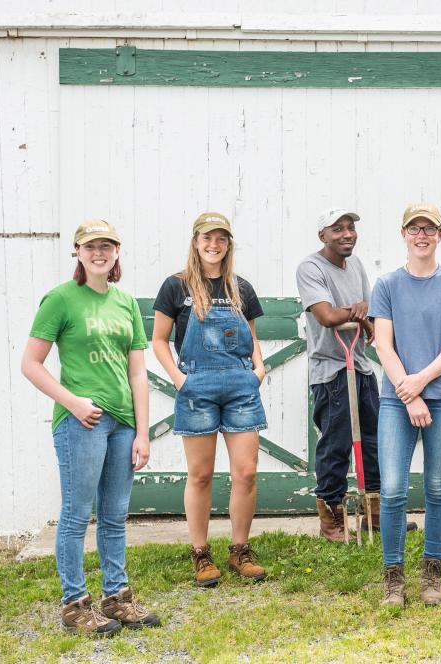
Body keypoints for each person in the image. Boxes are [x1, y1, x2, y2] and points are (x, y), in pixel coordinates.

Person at [22, 220, 160, 636]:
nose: (99, 252)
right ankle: (75, 605)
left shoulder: (126, 303)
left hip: (121, 423)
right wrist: (73, 402)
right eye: (90, 246)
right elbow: (31, 363)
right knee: (77, 515)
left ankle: (116, 598)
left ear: (117, 252)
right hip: (81, 423)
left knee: (115, 515)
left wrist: (142, 431)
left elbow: (138, 373)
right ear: (78, 253)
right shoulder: (61, 300)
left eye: (107, 246)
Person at [152, 212, 268, 588]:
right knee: (200, 474)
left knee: (246, 473)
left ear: (228, 244)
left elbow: (251, 338)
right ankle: (201, 553)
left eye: (221, 238)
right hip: (196, 386)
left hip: (240, 387)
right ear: (195, 241)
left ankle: (240, 550)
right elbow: (158, 340)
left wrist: (259, 369)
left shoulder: (241, 288)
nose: (213, 245)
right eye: (207, 238)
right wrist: (179, 379)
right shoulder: (176, 286)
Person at [371, 203, 441, 607]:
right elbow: (383, 343)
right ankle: (393, 577)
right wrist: (408, 390)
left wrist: (421, 383)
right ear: (403, 234)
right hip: (397, 400)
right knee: (394, 489)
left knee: (437, 486)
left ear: (440, 234)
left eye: (429, 229)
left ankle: (433, 574)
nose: (421, 235)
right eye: (414, 228)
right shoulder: (387, 285)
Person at [296, 208, 416, 542]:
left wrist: (363, 314)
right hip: (330, 371)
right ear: (323, 235)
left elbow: (371, 310)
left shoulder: (358, 265)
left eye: (350, 228)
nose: (347, 234)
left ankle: (375, 515)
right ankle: (331, 518)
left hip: (361, 366)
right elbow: (327, 316)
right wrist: (356, 313)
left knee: (375, 441)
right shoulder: (311, 268)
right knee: (335, 445)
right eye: (338, 229)